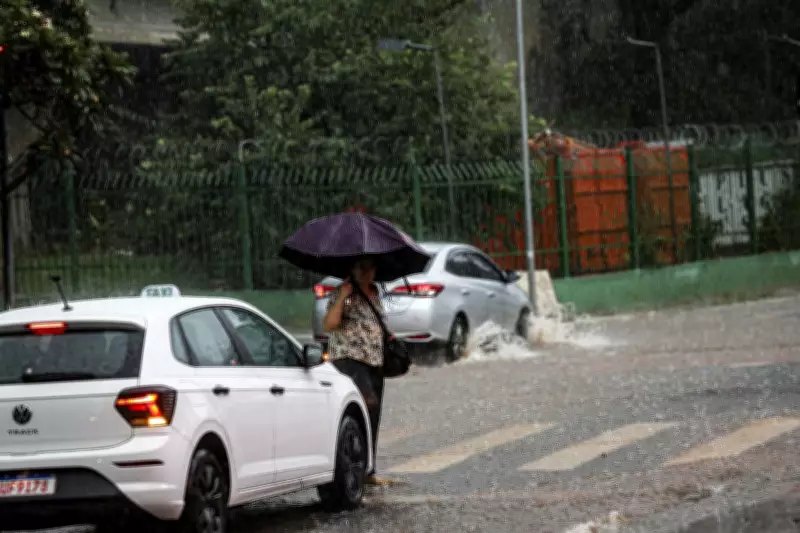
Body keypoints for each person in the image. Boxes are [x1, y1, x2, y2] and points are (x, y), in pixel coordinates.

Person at [323, 257, 394, 486]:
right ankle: (349, 466)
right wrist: (343, 296)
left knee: (373, 415)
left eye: (371, 267)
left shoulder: (375, 293)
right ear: (352, 269)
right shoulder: (343, 294)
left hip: (375, 361)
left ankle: (369, 471)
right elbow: (330, 324)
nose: (366, 272)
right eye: (361, 268)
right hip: (349, 360)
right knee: (366, 404)